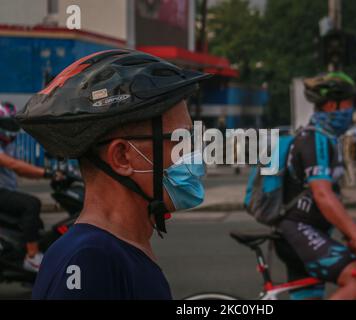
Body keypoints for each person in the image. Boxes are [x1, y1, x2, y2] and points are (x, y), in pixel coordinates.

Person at [16, 49, 211, 299]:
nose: (193, 153)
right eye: (179, 140)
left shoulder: (124, 248)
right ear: (121, 156)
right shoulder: (90, 259)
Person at [274, 72, 356, 300]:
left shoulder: (326, 138)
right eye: (349, 104)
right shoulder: (315, 139)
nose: (351, 111)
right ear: (332, 105)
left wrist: (350, 237)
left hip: (306, 232)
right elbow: (322, 194)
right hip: (299, 231)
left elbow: (330, 198)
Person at [0, 101, 59, 272]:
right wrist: (47, 173)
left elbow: (21, 171)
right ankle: (32, 258)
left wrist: (50, 173)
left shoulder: (7, 144)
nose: (10, 128)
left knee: (36, 224)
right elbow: (13, 164)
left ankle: (20, 255)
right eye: (6, 124)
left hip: (7, 190)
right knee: (31, 204)